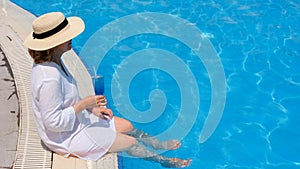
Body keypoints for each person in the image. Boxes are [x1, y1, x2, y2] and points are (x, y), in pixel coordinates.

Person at [24, 12, 191, 168]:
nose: (71, 38)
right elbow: (53, 123)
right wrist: (84, 104)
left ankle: (158, 145)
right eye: (66, 37)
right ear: (54, 44)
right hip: (66, 137)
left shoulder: (55, 62)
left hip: (76, 122)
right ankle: (165, 161)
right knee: (130, 143)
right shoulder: (49, 78)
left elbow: (66, 99)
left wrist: (93, 109)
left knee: (127, 125)